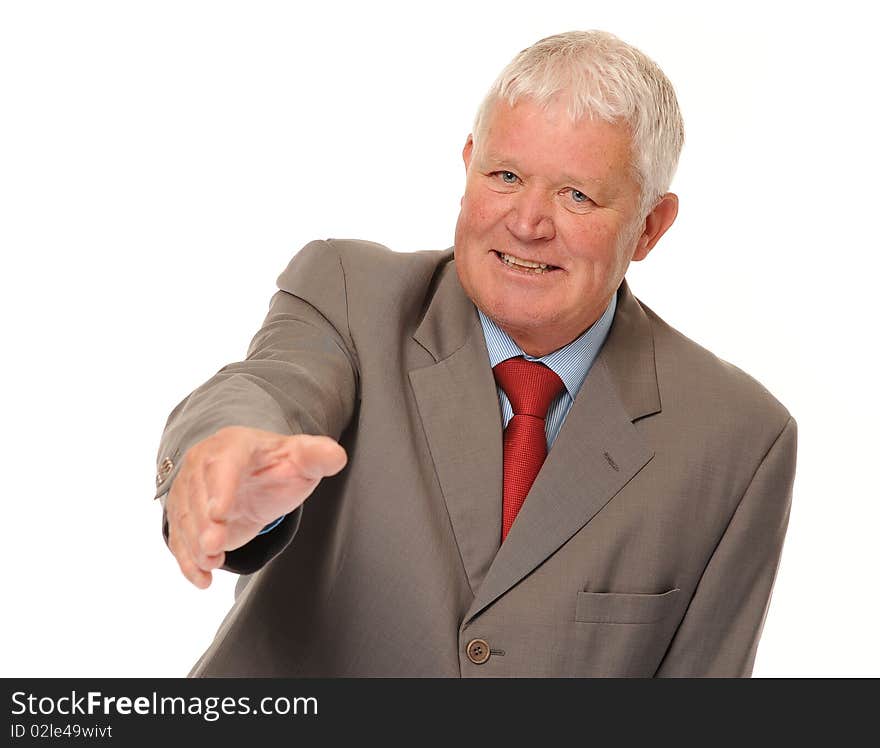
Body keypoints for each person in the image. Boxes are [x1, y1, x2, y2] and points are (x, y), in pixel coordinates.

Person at [153, 30, 797, 677]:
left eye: (577, 195)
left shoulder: (736, 439)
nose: (527, 222)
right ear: (468, 166)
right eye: (506, 175)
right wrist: (224, 456)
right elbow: (271, 386)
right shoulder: (351, 293)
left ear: (650, 227)